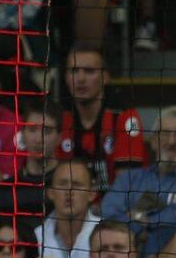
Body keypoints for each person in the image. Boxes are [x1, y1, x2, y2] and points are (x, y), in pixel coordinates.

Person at [101, 106, 176, 251]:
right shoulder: (129, 179)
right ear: (153, 141)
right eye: (165, 134)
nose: (171, 141)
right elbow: (108, 215)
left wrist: (143, 220)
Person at [58, 44, 147, 191]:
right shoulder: (60, 118)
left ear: (105, 77)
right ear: (66, 78)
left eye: (89, 71)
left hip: (116, 209)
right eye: (74, 71)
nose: (80, 78)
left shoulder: (125, 117)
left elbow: (127, 186)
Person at [0, 100, 62, 228]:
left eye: (47, 131)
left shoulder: (67, 186)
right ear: (22, 134)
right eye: (32, 130)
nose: (39, 139)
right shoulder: (6, 191)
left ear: (59, 137)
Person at [35, 158, 100, 258]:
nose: (69, 192)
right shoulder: (35, 237)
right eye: (62, 184)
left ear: (92, 194)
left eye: (77, 184)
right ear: (50, 192)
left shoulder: (105, 235)